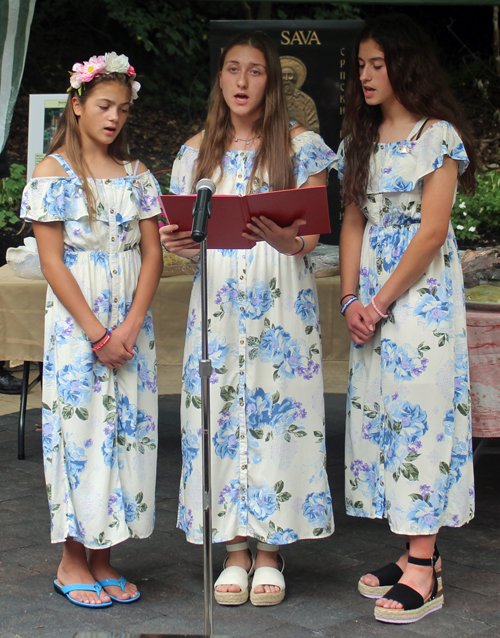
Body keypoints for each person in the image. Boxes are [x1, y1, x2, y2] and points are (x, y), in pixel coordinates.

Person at [160, 31, 335, 607]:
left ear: (271, 82)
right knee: (219, 416)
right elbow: (179, 235)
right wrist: (181, 246)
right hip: (217, 307)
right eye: (232, 69)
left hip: (280, 304)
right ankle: (233, 546)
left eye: (254, 71)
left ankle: (269, 549)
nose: (241, 81)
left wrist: (289, 240)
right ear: (219, 78)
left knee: (276, 413)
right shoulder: (195, 151)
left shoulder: (300, 144)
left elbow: (311, 232)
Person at [336, 14, 476, 624]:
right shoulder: (359, 139)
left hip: (420, 302)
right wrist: (348, 299)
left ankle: (426, 565)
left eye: (377, 64)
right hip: (369, 300)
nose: (366, 75)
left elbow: (432, 232)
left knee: (422, 414)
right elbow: (351, 220)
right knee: (386, 416)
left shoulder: (437, 136)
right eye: (360, 65)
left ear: (403, 66)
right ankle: (418, 548)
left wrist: (381, 300)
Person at [20, 52, 163, 608]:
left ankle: (106, 557)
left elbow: (152, 255)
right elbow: (53, 262)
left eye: (123, 109)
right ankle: (72, 559)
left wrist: (128, 326)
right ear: (76, 106)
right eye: (103, 106)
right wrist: (97, 334)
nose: (114, 118)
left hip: (130, 329)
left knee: (127, 436)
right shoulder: (53, 173)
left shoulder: (138, 175)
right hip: (80, 329)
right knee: (82, 437)